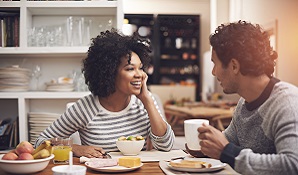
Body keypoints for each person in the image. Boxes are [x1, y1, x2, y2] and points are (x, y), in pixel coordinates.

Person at [34, 29, 175, 158]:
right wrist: (75, 148)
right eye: (130, 69)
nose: (140, 75)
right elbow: (39, 143)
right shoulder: (85, 108)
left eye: (141, 68)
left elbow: (166, 146)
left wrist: (147, 101)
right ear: (110, 72)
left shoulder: (144, 103)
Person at [198, 20, 298, 175]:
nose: (213, 72)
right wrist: (203, 145)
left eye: (214, 64)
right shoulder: (244, 103)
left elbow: (292, 165)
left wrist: (227, 152)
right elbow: (227, 139)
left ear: (234, 66)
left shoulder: (287, 103)